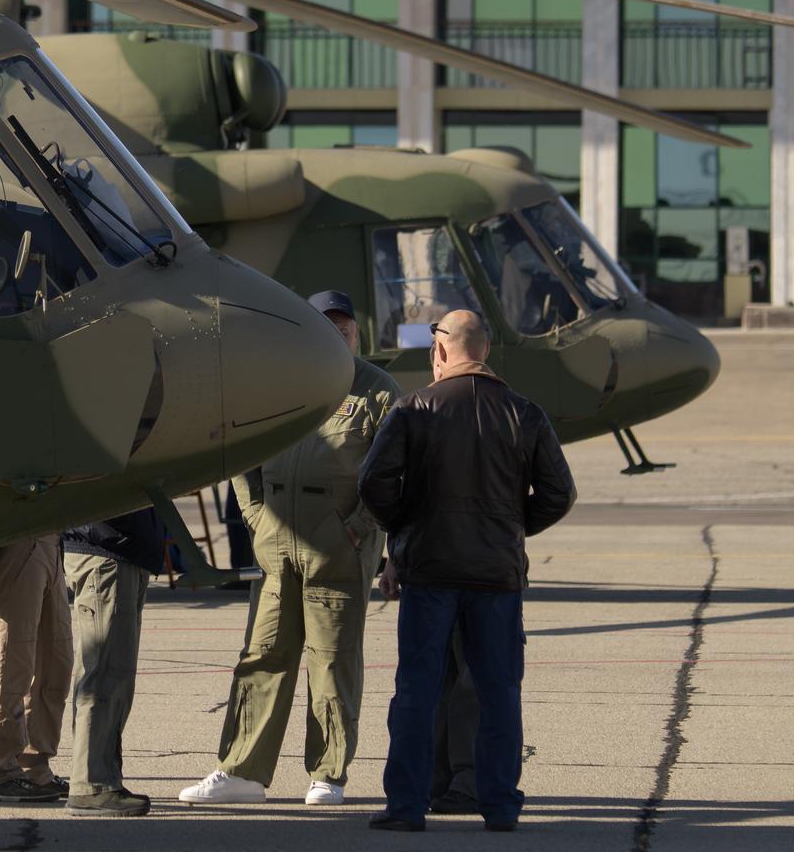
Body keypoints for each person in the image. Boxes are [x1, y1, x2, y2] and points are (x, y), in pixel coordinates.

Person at [179, 290, 401, 808]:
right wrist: (257, 518)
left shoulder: (377, 392)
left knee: (332, 661)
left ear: (356, 334)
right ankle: (242, 772)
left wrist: (358, 530)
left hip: (338, 548)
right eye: (325, 325)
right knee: (263, 656)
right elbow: (241, 454)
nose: (336, 334)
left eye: (343, 327)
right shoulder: (275, 382)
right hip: (277, 543)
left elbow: (396, 473)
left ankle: (328, 774)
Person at [359, 309, 576, 834]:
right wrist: (510, 526)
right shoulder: (525, 413)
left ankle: (407, 806)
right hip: (496, 576)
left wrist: (406, 526)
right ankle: (499, 805)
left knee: (417, 688)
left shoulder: (416, 409)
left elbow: (373, 482)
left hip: (430, 573)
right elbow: (559, 493)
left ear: (439, 351)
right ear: (485, 351)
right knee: (499, 690)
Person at [62, 509, 168, 817]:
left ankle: (102, 780)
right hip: (105, 546)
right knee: (104, 673)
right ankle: (91, 785)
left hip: (121, 545)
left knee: (115, 675)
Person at [0, 535, 73, 804]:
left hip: (51, 540)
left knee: (55, 664)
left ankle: (34, 767)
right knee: (11, 664)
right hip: (16, 539)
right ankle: (0, 771)